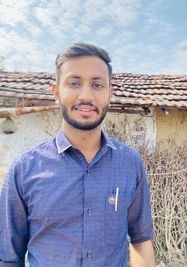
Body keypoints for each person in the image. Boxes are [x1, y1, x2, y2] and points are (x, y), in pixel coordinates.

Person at [0, 43, 156, 267]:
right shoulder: (25, 169)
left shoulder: (130, 164)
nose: (86, 95)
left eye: (97, 84)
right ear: (56, 93)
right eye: (74, 83)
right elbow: (8, 256)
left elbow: (140, 241)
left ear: (109, 95)